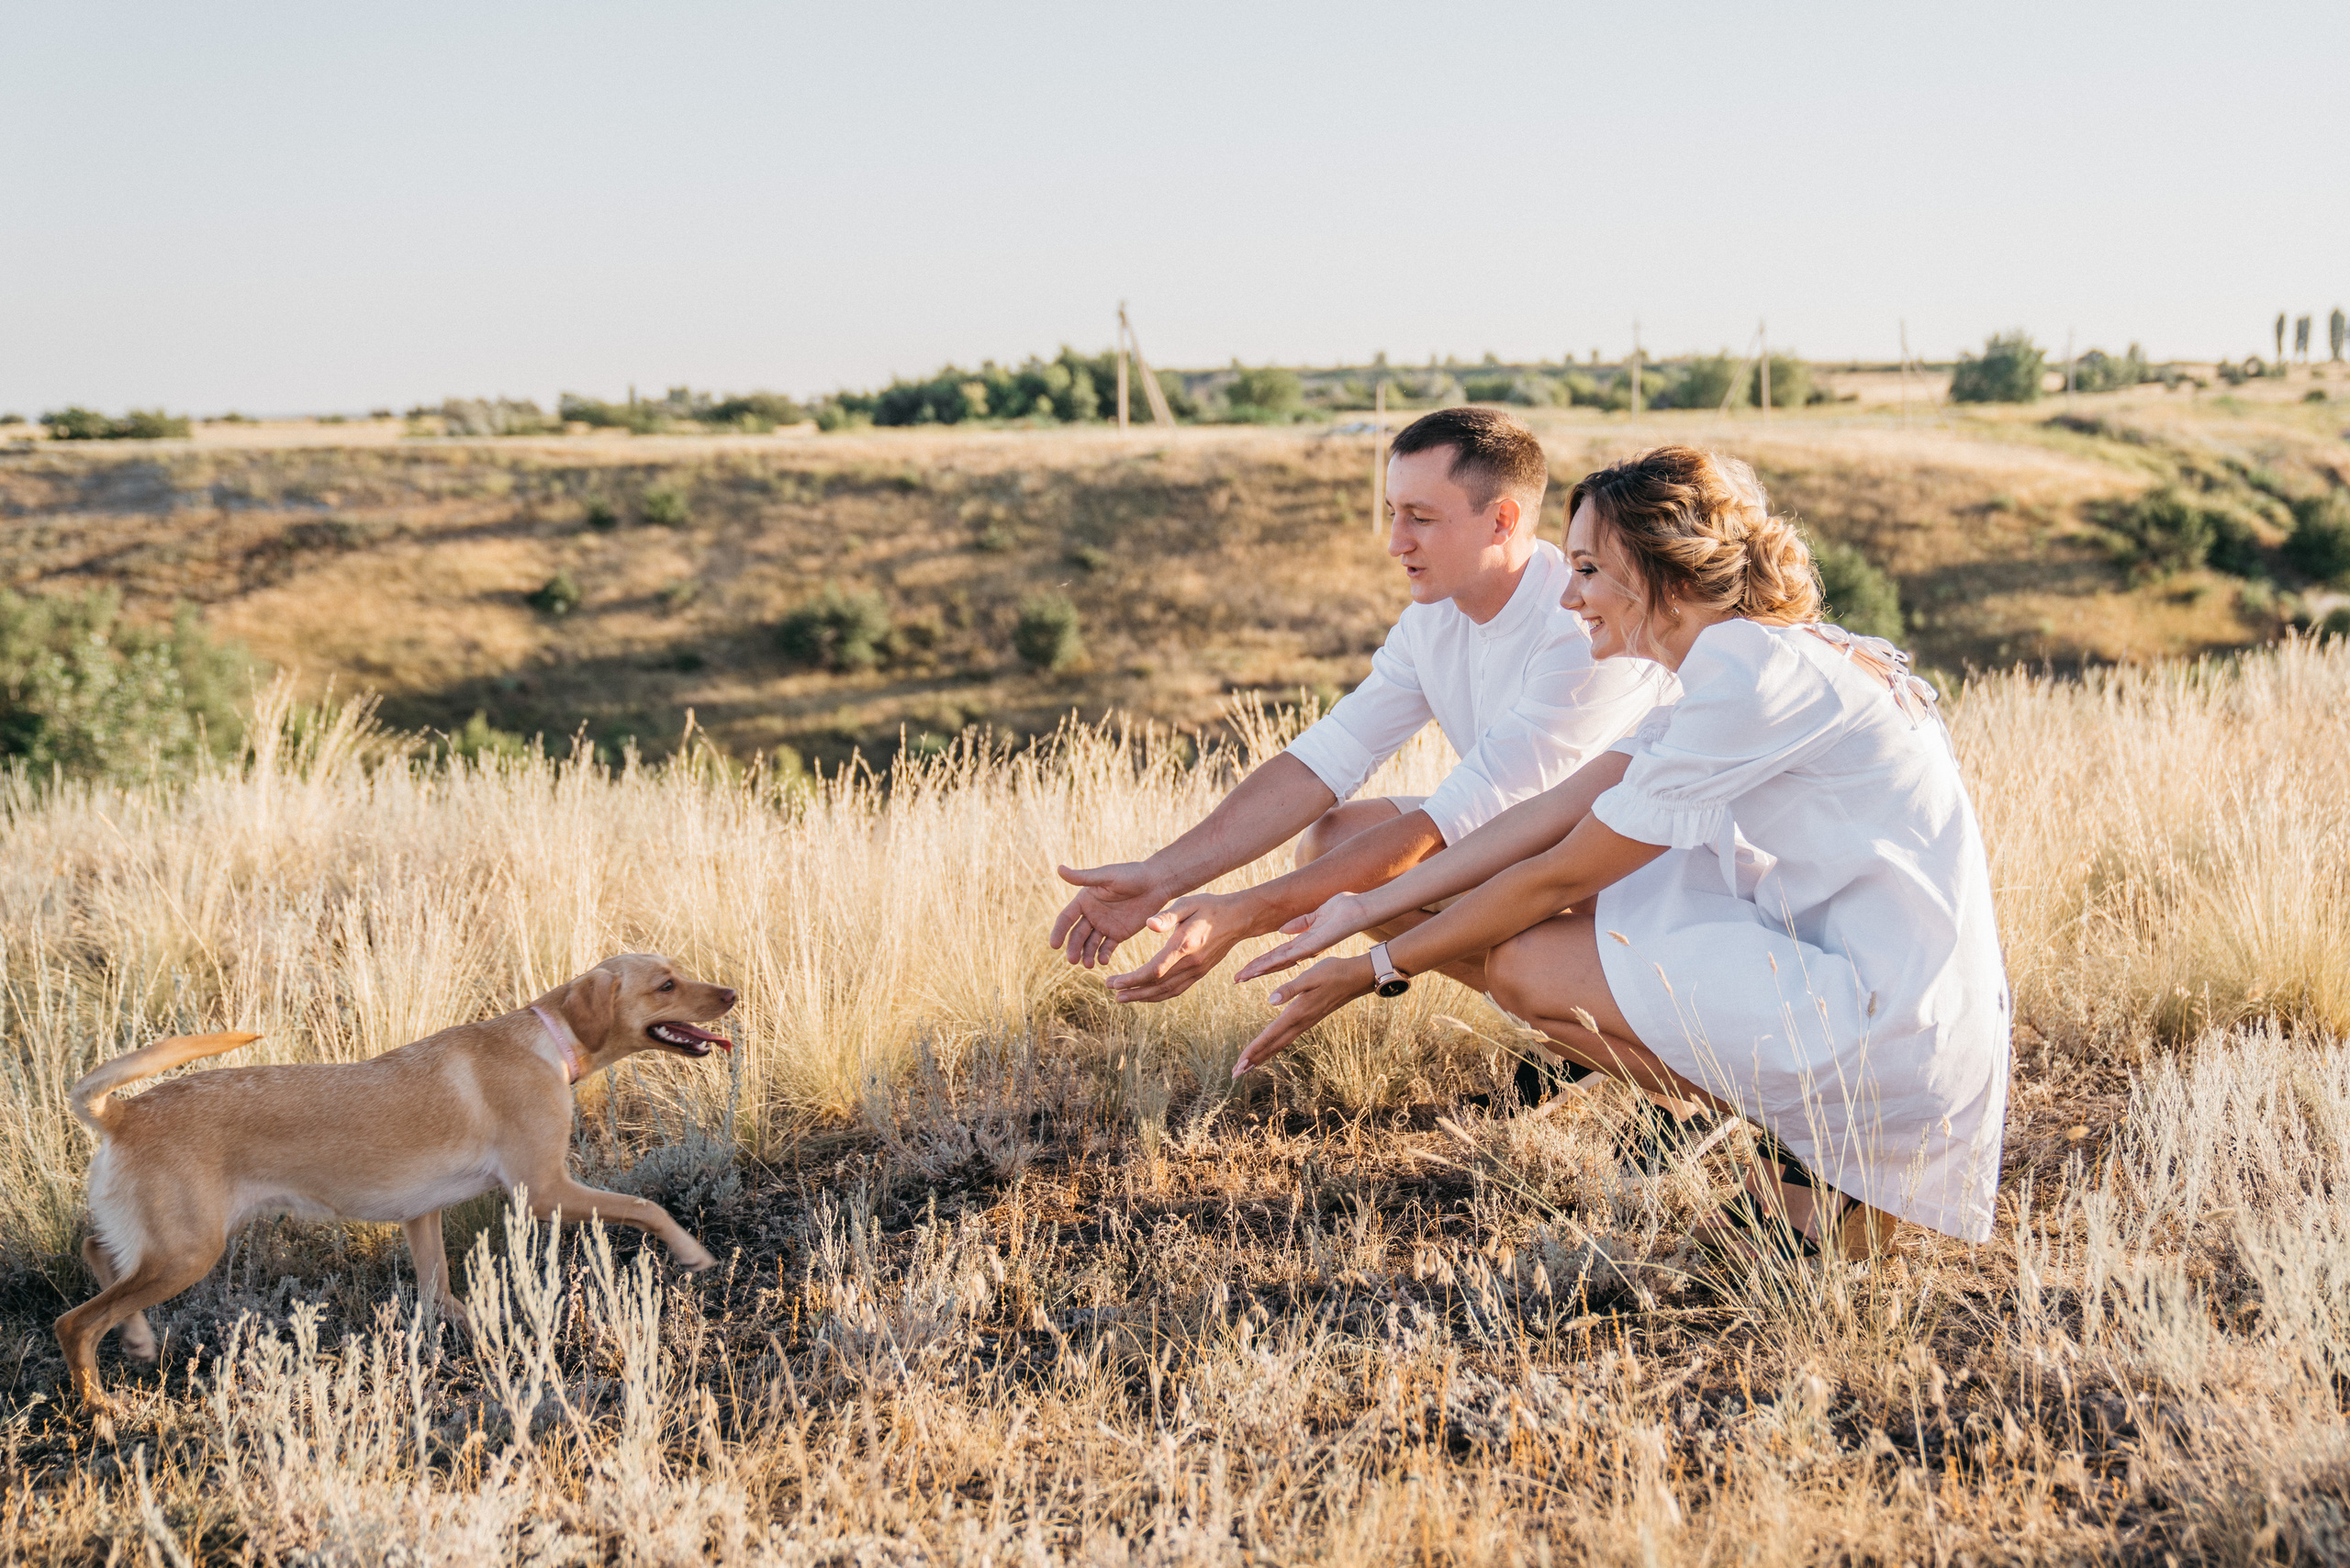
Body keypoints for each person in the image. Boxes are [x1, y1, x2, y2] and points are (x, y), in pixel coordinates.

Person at [1229, 445, 2009, 1260]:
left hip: (1893, 1029)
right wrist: (1361, 908)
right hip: (1876, 996)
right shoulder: (1743, 660)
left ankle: (1823, 1153)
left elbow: (1560, 873)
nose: (1569, 597)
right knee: (1539, 956)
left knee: (1533, 965)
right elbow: (1546, 816)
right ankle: (1810, 1160)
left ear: (1658, 571)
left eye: (1589, 569)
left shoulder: (1753, 677)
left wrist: (1378, 966)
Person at [1047, 407, 1666, 1058]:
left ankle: (1652, 1065)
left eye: (1421, 518)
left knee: (1521, 953)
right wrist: (1160, 876)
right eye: (1393, 511)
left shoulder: (1580, 627)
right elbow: (1323, 762)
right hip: (1537, 861)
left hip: (1642, 893)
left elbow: (1452, 827)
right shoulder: (1433, 620)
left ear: (1503, 520)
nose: (1396, 541)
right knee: (1334, 842)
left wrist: (1245, 913)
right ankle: (1578, 1043)